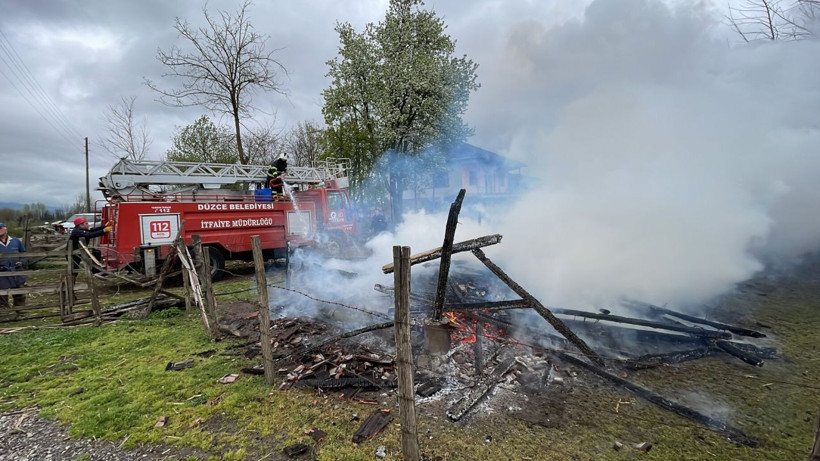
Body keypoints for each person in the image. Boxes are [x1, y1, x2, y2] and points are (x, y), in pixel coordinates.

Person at [68, 216, 111, 285]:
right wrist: (104, 230)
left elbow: (92, 231)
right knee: (74, 270)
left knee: (96, 252)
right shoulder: (77, 231)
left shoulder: (80, 230)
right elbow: (89, 235)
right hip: (74, 253)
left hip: (80, 251)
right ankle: (70, 284)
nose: (88, 225)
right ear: (81, 225)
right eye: (86, 223)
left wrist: (104, 227)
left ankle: (96, 271)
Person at [0, 222, 27, 309]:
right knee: (2, 296)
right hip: (2, 274)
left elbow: (24, 253)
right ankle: (5, 314)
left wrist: (22, 262)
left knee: (19, 294)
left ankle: (20, 312)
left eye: (0, 228)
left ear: (6, 229)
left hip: (16, 272)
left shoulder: (15, 241)